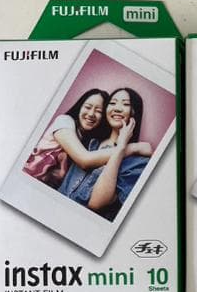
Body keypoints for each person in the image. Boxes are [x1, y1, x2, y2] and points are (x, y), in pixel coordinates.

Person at [23, 89, 151, 191]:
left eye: (98, 111)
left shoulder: (89, 141)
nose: (91, 114)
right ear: (80, 107)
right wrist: (134, 147)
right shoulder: (65, 121)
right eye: (88, 107)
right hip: (26, 179)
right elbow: (85, 160)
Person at [58, 88, 153, 220]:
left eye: (125, 104)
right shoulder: (87, 141)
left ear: (134, 112)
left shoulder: (138, 163)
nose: (117, 108)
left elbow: (96, 204)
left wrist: (121, 147)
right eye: (112, 103)